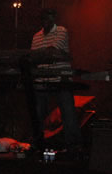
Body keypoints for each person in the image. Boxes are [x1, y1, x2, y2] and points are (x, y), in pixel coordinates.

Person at [29, 8, 82, 154]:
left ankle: (73, 145)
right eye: (44, 17)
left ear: (54, 18)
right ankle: (38, 142)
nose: (47, 20)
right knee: (38, 112)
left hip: (60, 78)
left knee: (67, 111)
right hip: (43, 79)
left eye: (50, 17)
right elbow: (34, 57)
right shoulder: (36, 36)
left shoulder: (61, 31)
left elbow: (52, 50)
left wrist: (41, 55)